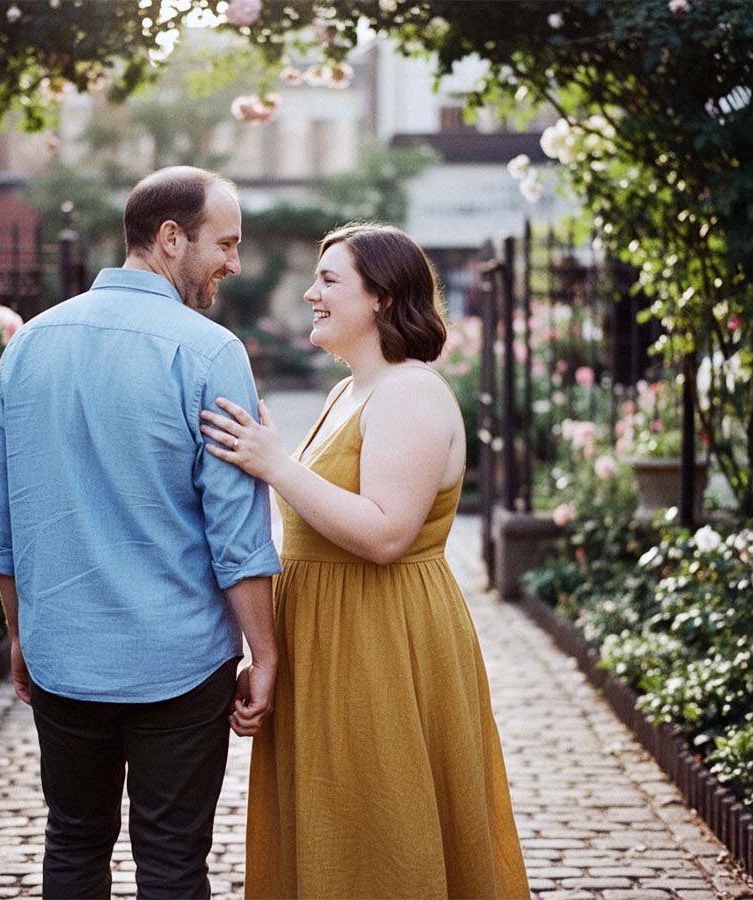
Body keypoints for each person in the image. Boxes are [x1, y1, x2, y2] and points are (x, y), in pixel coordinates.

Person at [199, 222, 530, 899]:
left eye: (329, 280)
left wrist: (274, 464)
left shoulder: (410, 392)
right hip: (331, 638)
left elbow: (386, 534)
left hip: (382, 641)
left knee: (380, 825)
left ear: (381, 297)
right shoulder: (347, 391)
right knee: (333, 825)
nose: (311, 293)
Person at [0, 165, 281, 900]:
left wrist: (20, 634)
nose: (234, 264)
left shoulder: (29, 345)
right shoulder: (211, 353)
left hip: (63, 652)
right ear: (171, 238)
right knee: (173, 861)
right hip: (180, 660)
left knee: (73, 846)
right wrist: (265, 653)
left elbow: (1, 521)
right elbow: (235, 530)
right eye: (226, 243)